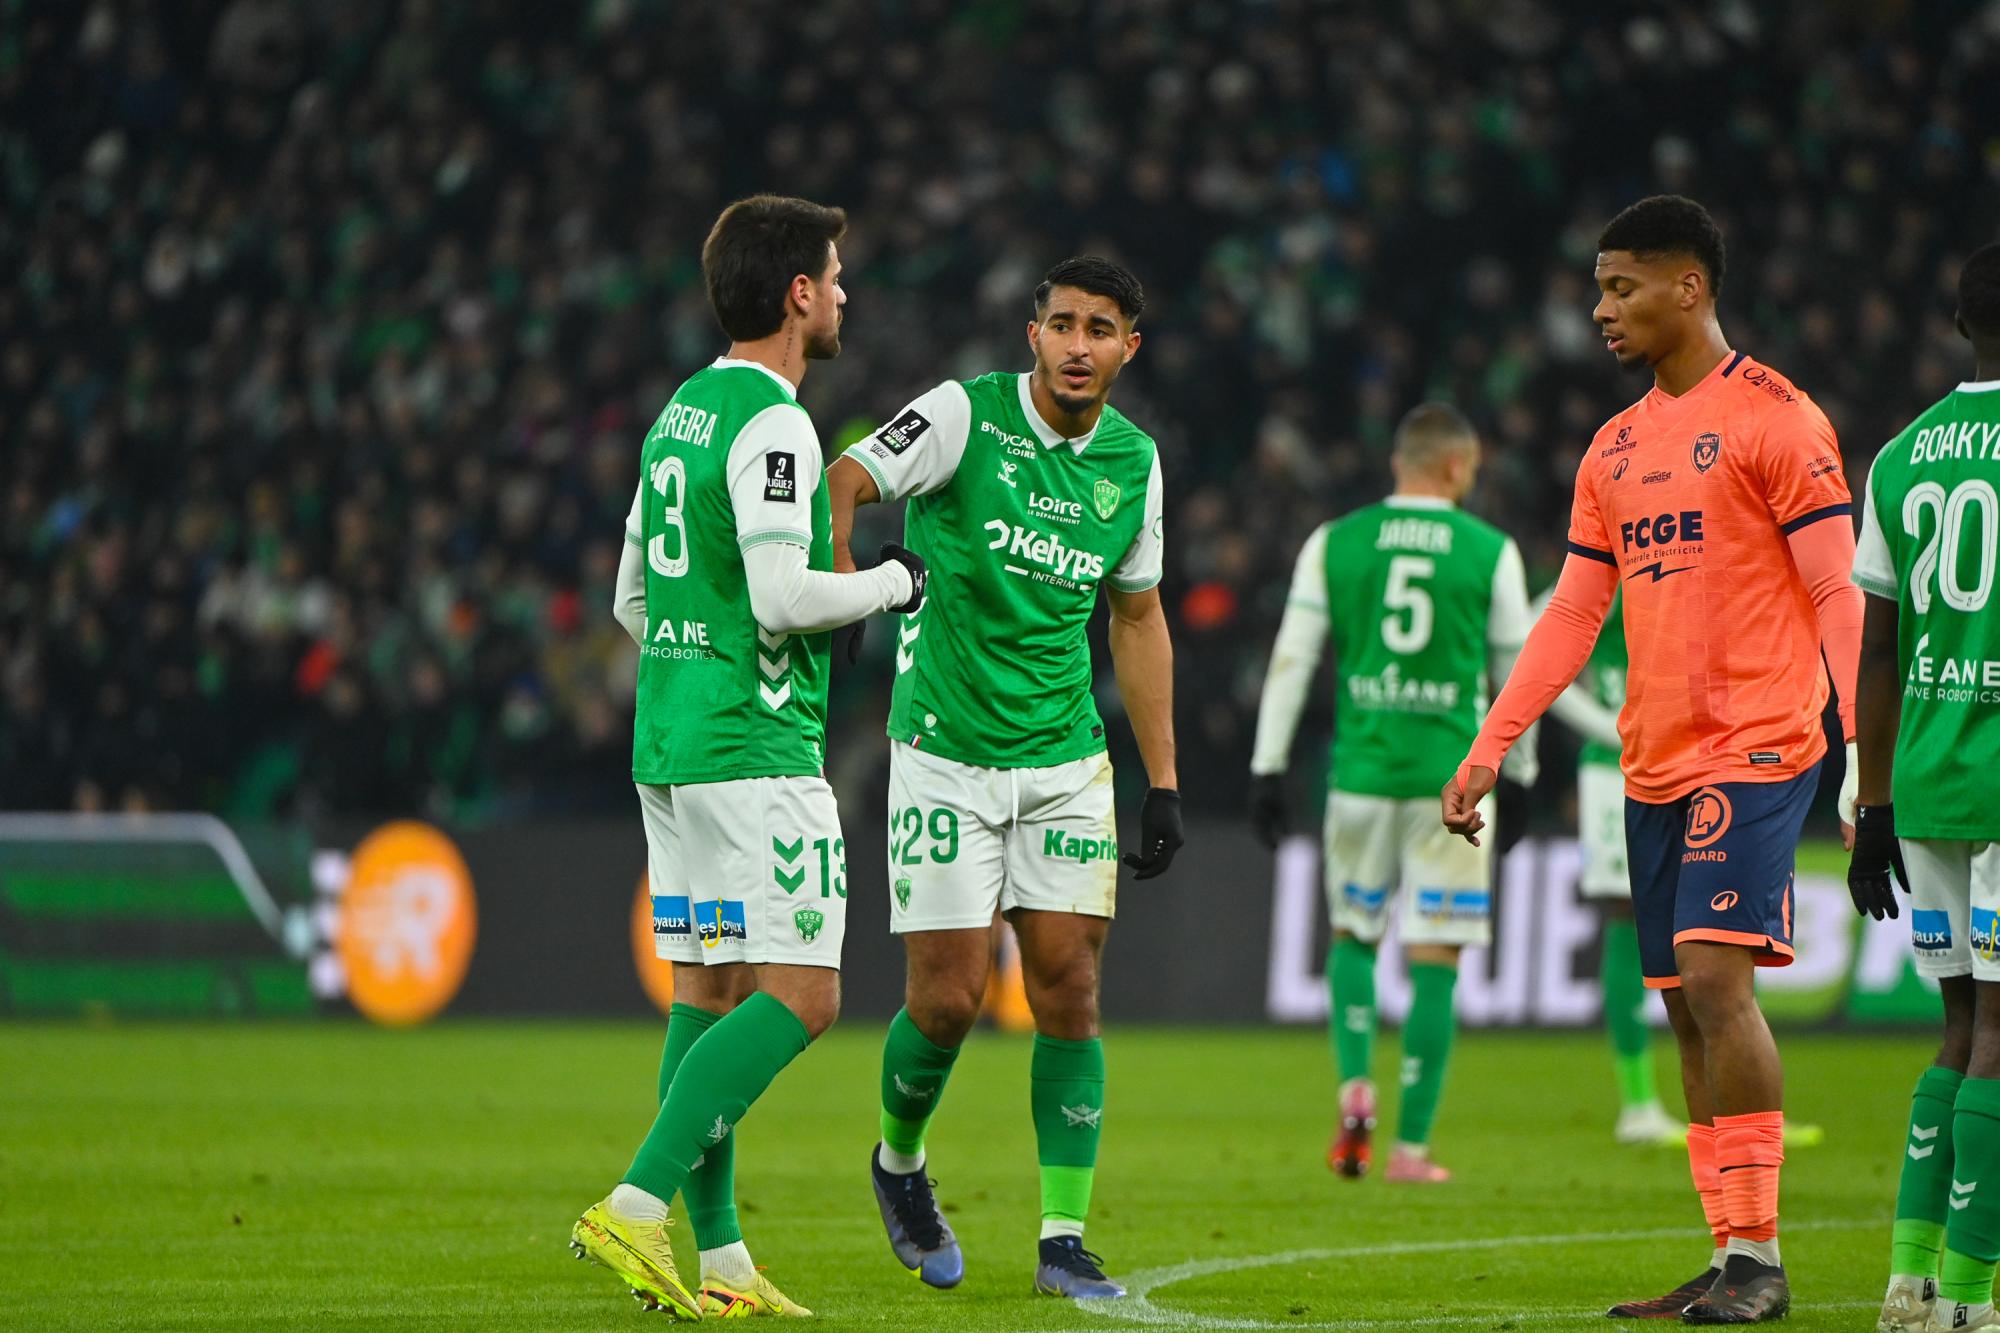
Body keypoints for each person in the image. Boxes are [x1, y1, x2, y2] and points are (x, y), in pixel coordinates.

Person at [1440, 195, 1862, 1325]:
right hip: (1652, 760)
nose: (1599, 308)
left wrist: (1862, 744)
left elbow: (1834, 589)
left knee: (1717, 981)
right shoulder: (1613, 448)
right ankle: (1726, 1254)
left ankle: (1764, 1259)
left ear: (1689, 286)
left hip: (1760, 742)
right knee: (1681, 1004)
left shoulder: (1779, 420)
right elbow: (1573, 612)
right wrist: (1492, 743)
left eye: (1620, 286)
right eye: (1596, 286)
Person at [567, 195, 926, 1320]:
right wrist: (893, 582)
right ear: (797, 295)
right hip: (752, 754)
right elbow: (782, 593)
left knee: (710, 987)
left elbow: (632, 593)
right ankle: (634, 1204)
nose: (845, 293)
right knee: (806, 994)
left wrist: (695, 658)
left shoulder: (681, 413)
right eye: (834, 273)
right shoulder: (774, 424)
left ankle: (720, 1262)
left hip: (670, 738)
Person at [825, 254, 1183, 1301]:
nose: (1078, 344)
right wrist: (846, 584)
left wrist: (1160, 779)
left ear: (1128, 347)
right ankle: (897, 1164)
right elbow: (848, 477)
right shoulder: (960, 417)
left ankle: (1062, 1238)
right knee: (947, 1000)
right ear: (1032, 335)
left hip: (1065, 760)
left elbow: (1137, 614)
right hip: (941, 751)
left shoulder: (1133, 462)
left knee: (1068, 986)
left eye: (1100, 327)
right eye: (1061, 324)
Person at [1248, 403, 1534, 1183]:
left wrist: (1268, 765)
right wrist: (1527, 767)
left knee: (1352, 935)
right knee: (1435, 954)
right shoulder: (1490, 550)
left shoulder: (1335, 542)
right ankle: (1409, 1148)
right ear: (1454, 466)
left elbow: (1292, 658)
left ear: (1398, 463)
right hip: (1457, 782)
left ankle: (1353, 1084)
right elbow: (1516, 672)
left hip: (1361, 778)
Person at [1852, 240, 2000, 1333]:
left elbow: (1872, 651)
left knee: (1954, 1028)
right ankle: (1968, 1294)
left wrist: (1867, 808)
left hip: (1921, 777)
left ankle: (1906, 1281)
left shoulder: (1899, 457)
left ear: (1958, 322)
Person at [1532, 586, 1683, 1147]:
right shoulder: (1616, 561)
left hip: (1693, 754)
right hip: (1618, 767)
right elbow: (1534, 633)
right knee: (1628, 920)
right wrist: (1604, 724)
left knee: (1726, 919)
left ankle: (1737, 1108)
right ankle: (1638, 1103)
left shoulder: (1680, 543)